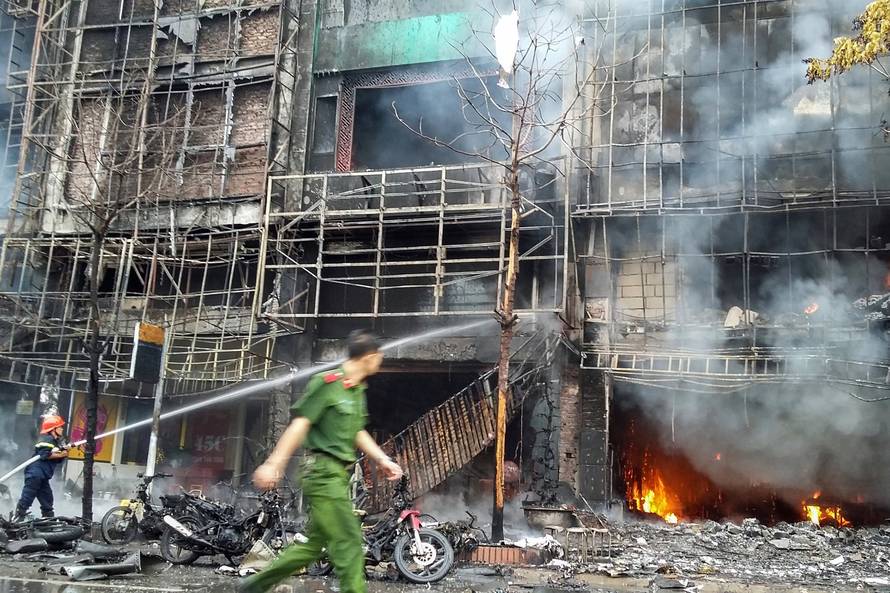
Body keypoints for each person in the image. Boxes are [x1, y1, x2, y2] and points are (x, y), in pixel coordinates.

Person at [239, 330, 403, 593]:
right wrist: (273, 463)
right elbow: (300, 424)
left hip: (338, 476)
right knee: (349, 542)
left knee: (313, 546)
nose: (380, 361)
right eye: (379, 356)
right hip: (323, 474)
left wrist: (382, 459)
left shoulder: (356, 390)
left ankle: (254, 586)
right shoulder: (327, 383)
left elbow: (357, 431)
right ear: (369, 357)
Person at [14, 414, 69, 520]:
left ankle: (48, 520)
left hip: (43, 476)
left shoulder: (55, 442)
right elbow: (45, 455)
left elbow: (56, 459)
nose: (62, 429)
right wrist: (61, 454)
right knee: (28, 496)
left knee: (47, 498)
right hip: (35, 473)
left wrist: (63, 452)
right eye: (60, 427)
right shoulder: (47, 439)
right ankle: (17, 518)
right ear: (53, 429)